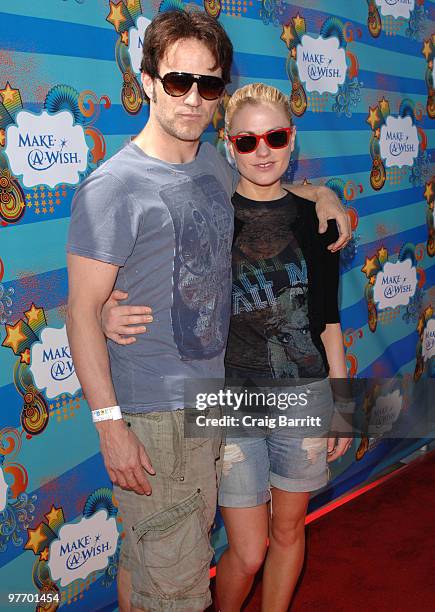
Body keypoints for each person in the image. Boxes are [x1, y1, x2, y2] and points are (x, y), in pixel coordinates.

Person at [66, 10, 350, 612]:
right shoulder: (112, 185)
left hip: (215, 404)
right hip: (154, 416)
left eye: (209, 84)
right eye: (177, 82)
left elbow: (270, 188)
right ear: (146, 80)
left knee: (158, 558)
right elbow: (78, 311)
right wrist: (110, 425)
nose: (194, 98)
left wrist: (326, 196)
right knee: (178, 588)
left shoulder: (211, 165)